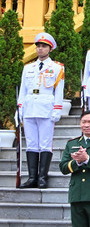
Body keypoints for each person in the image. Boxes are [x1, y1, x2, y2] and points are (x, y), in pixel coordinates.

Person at [18, 32, 64, 189]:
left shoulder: (57, 68)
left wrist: (57, 109)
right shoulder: (28, 68)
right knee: (31, 144)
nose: (40, 49)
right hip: (30, 107)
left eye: (43, 46)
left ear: (50, 49)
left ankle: (42, 177)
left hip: (46, 108)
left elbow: (59, 91)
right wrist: (20, 109)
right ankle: (32, 177)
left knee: (45, 144)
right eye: (38, 46)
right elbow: (23, 91)